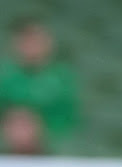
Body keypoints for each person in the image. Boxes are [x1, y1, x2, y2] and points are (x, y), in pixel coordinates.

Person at [0, 20, 79, 151]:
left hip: (49, 149)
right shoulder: (5, 75)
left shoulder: (62, 78)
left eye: (35, 40)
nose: (30, 46)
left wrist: (39, 131)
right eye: (26, 40)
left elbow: (68, 120)